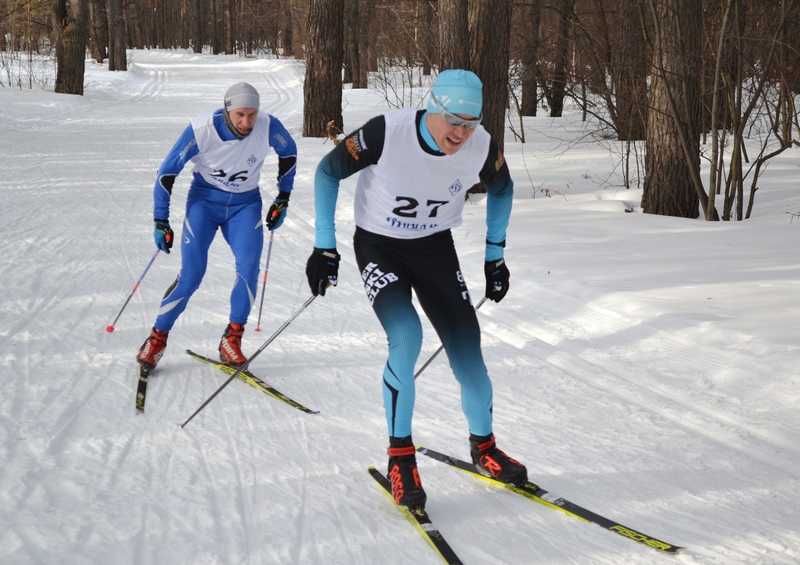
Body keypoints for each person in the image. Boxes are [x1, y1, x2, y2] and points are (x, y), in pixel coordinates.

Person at [305, 69, 527, 510]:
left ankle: (484, 448)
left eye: (472, 123)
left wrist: (495, 255)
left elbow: (504, 189)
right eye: (455, 122)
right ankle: (400, 458)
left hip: (435, 250)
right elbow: (327, 172)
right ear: (433, 108)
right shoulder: (388, 132)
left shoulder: (480, 144)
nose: (462, 133)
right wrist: (324, 246)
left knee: (469, 356)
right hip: (379, 246)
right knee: (406, 337)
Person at [136, 82, 297, 372]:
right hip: (204, 204)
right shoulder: (200, 130)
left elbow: (290, 153)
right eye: (240, 115)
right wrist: (161, 220)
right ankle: (157, 339)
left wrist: (283, 197)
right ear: (227, 110)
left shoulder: (268, 125)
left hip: (245, 206)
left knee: (248, 269)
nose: (247, 122)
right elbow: (166, 173)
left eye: (252, 114)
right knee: (192, 275)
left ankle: (231, 340)